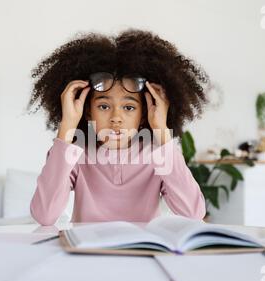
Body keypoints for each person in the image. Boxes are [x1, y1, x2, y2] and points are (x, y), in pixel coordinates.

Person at [28, 29, 209, 226]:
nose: (116, 118)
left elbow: (193, 213)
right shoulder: (76, 153)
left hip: (143, 252)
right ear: (88, 112)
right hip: (87, 252)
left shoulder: (158, 154)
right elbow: (44, 215)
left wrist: (162, 131)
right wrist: (67, 127)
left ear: (143, 115)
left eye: (129, 107)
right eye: (104, 106)